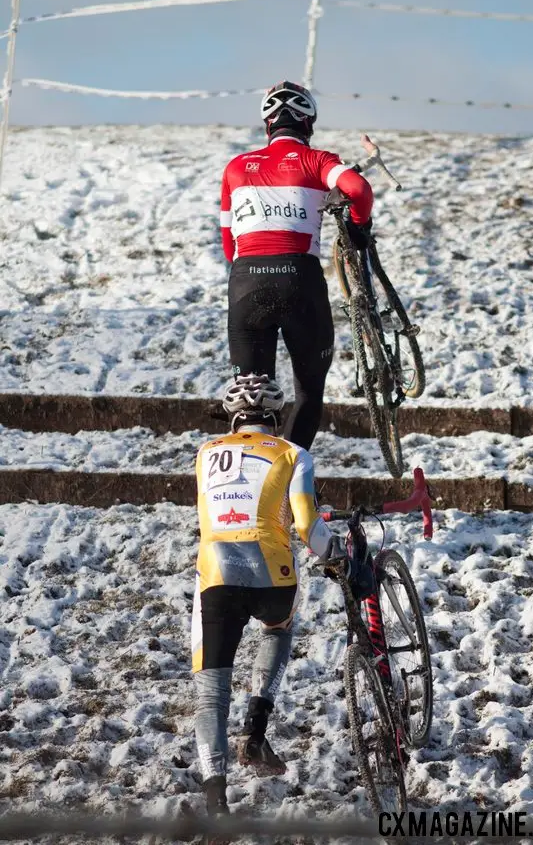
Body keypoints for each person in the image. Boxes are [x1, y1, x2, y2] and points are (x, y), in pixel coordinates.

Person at [191, 373, 348, 826]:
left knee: (210, 695)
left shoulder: (205, 453)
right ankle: (256, 730)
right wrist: (334, 552)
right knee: (278, 627)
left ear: (232, 416)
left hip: (217, 572)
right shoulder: (293, 453)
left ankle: (216, 805)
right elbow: (306, 526)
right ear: (278, 417)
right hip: (273, 575)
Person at [220, 81, 374, 452]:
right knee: (307, 393)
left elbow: (229, 247)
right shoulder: (319, 161)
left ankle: (254, 491)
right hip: (299, 280)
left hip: (246, 284)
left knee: (251, 400)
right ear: (308, 124)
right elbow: (361, 191)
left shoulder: (236, 167)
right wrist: (356, 226)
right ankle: (291, 483)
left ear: (268, 125)